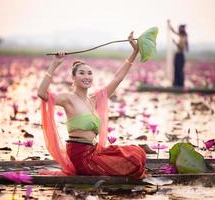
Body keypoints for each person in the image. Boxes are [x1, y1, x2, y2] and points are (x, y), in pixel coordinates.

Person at [37, 32, 146, 179]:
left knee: (137, 153)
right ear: (73, 78)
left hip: (94, 151)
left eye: (89, 73)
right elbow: (42, 93)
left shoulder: (94, 100)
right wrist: (54, 64)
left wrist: (134, 52)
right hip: (80, 157)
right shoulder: (68, 99)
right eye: (82, 73)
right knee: (132, 163)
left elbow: (117, 78)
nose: (87, 77)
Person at [167, 20, 189, 87]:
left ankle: (180, 84)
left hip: (180, 55)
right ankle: (176, 84)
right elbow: (173, 31)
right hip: (178, 55)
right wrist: (169, 24)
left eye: (180, 28)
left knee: (179, 70)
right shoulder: (181, 35)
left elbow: (181, 47)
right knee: (176, 69)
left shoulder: (184, 37)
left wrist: (175, 43)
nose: (179, 29)